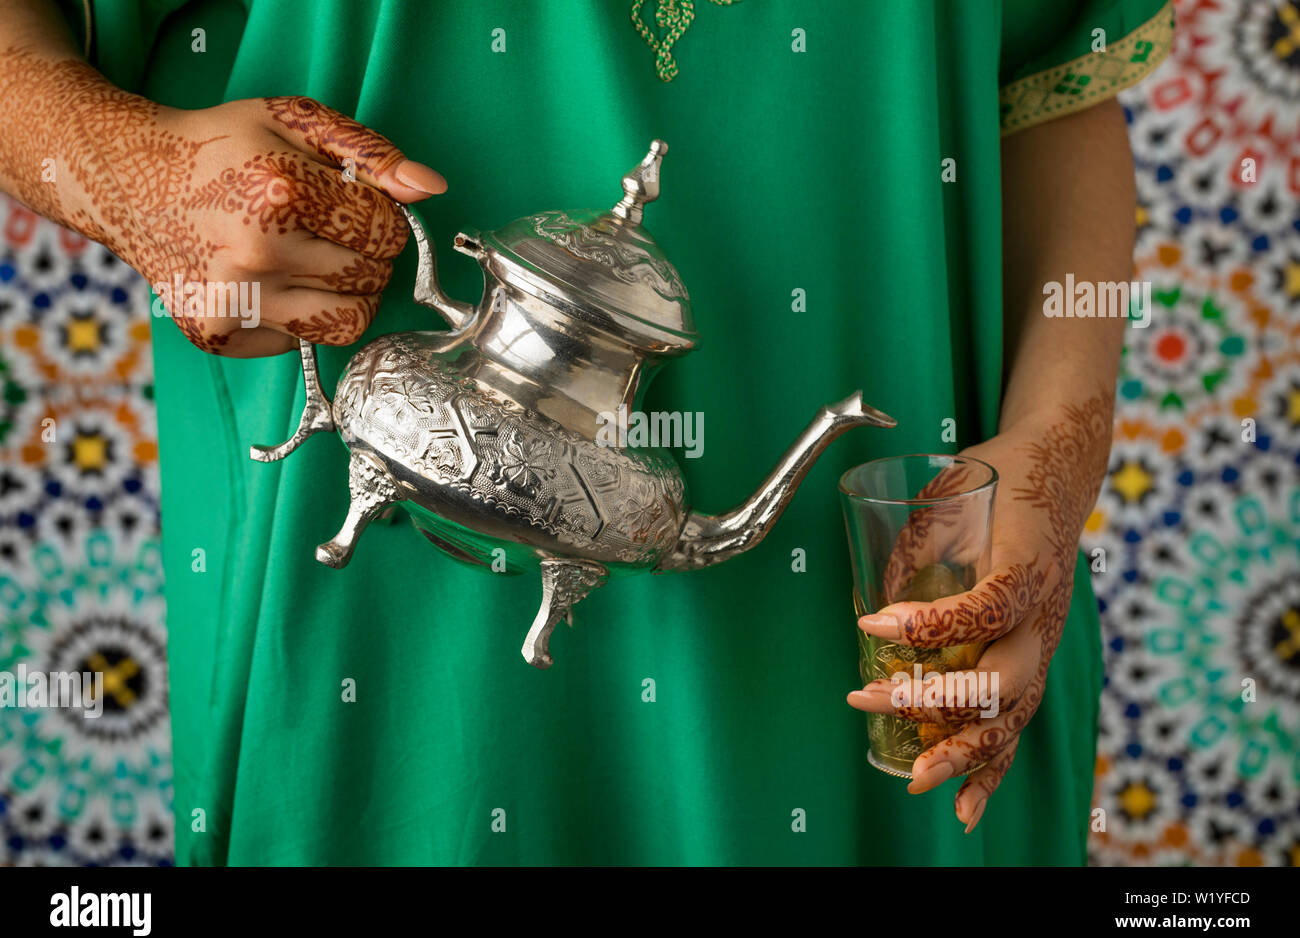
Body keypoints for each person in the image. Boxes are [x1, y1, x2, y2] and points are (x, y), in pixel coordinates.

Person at [0, 0, 1173, 865]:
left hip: (904, 638)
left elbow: (1052, 81)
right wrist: (123, 168)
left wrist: (1058, 448)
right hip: (399, 691)